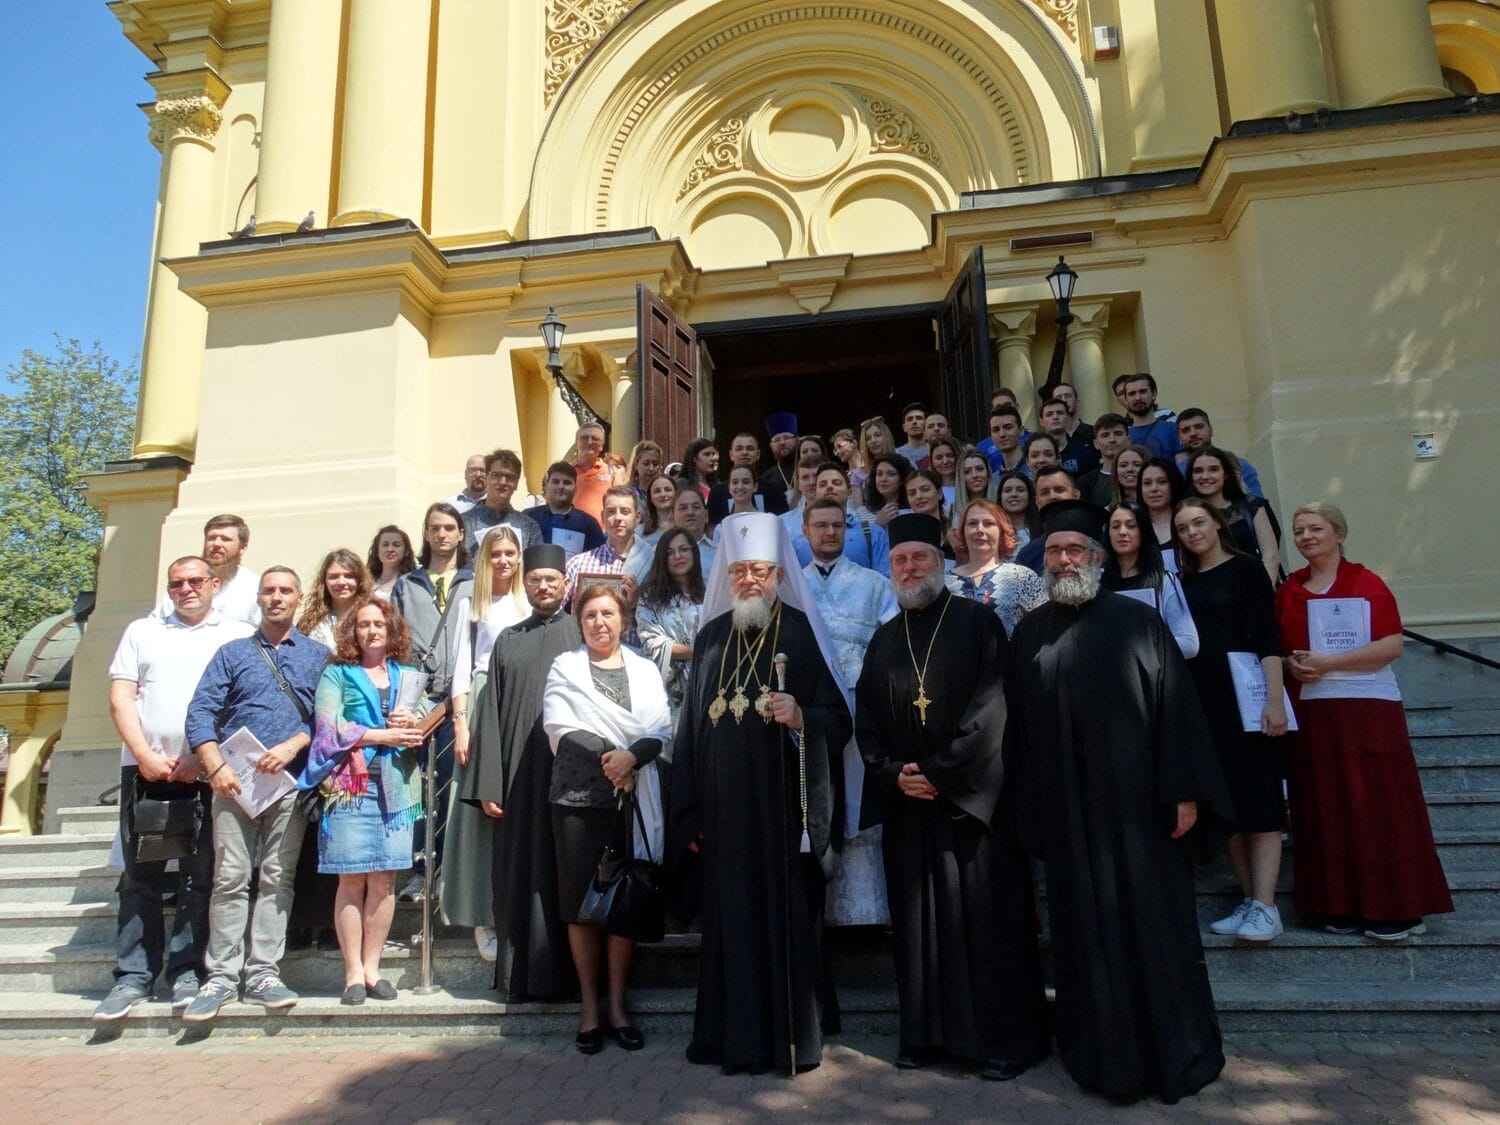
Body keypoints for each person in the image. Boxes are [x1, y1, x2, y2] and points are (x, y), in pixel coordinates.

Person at [1006, 500, 1233, 1104]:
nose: (1063, 560)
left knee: (1155, 934)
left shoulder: (1139, 624)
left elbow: (1178, 711)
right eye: (1054, 552)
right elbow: (1021, 734)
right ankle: (1099, 1055)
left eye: (1074, 550)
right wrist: (1033, 815)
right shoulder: (1030, 632)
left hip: (1141, 822)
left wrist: (1184, 790)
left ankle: (1172, 1052)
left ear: (1098, 559)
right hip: (1070, 822)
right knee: (1082, 939)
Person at [857, 514, 1049, 1078]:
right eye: (900, 561)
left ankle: (1002, 1043)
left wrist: (940, 772)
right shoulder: (884, 639)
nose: (910, 568)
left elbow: (994, 712)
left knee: (987, 925)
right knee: (918, 927)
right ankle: (925, 1037)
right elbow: (865, 719)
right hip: (910, 810)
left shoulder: (979, 623)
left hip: (972, 809)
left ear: (941, 565)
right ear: (890, 569)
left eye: (920, 558)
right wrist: (892, 773)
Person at [669, 512, 852, 1075]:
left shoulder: (798, 631)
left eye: (761, 571)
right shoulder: (709, 638)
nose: (750, 580)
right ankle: (731, 1038)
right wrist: (690, 812)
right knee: (732, 923)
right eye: (741, 571)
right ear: (728, 574)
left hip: (781, 814)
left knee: (786, 920)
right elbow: (691, 733)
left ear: (778, 573)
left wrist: (801, 716)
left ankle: (791, 1037)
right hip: (724, 817)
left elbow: (839, 719)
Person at [1275, 502, 1453, 941]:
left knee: (1378, 808)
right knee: (1325, 807)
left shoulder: (1367, 582)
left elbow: (1392, 645)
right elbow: (1279, 647)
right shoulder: (1290, 590)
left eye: (1316, 528)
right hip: (1314, 710)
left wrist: (1330, 663)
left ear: (1339, 533)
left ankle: (1396, 908)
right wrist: (1290, 665)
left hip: (1367, 709)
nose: (1306, 536)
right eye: (1299, 531)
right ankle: (1336, 904)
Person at [93, 556, 256, 1021]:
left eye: (195, 581)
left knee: (198, 876)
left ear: (215, 584)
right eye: (176, 583)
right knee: (139, 877)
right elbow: (120, 697)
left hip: (207, 772)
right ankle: (132, 976)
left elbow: (240, 703)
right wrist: (144, 753)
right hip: (144, 770)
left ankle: (186, 969)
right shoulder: (142, 631)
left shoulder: (236, 634)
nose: (185, 589)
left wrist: (200, 759)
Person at [182, 567, 330, 1022]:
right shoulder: (232, 654)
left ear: (299, 597)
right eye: (269, 591)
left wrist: (294, 744)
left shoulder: (318, 656)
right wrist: (216, 766)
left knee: (277, 878)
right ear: (259, 598)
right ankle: (222, 976)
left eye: (286, 590)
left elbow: (328, 719)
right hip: (233, 783)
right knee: (229, 877)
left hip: (290, 784)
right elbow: (200, 712)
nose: (277, 597)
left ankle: (263, 971)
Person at [544, 583, 672, 1054]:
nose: (600, 622)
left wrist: (632, 759)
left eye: (608, 614)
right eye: (591, 615)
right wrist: (613, 758)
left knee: (625, 901)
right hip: (578, 798)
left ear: (624, 619)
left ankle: (618, 1006)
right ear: (580, 622)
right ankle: (589, 1009)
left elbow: (661, 725)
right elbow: (559, 723)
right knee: (582, 904)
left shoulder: (643, 668)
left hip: (633, 795)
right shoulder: (566, 667)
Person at [459, 545, 581, 1001]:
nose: (544, 586)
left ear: (565, 585)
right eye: (536, 580)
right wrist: (490, 782)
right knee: (520, 876)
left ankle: (570, 981)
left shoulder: (582, 632)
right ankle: (521, 980)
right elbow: (488, 713)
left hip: (571, 775)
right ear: (524, 585)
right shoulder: (508, 639)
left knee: (565, 875)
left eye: (552, 579)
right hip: (517, 780)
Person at [298, 597, 425, 1005]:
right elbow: (328, 727)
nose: (372, 630)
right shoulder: (338, 673)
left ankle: (373, 969)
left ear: (392, 630)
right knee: (351, 879)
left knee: (385, 882)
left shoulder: (408, 675)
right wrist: (382, 735)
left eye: (379, 624)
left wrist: (413, 724)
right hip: (351, 786)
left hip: (398, 787)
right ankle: (352, 971)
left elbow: (423, 725)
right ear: (353, 631)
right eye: (364, 624)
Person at [1174, 498, 1288, 943]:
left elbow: (1267, 638)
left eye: (1198, 522)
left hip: (1247, 696)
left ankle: (1267, 905)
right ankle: (1248, 898)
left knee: (1258, 801)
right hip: (1204, 703)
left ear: (1217, 523)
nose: (1191, 532)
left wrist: (1274, 702)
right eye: (1182, 528)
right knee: (1228, 805)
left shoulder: (1245, 571)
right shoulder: (1182, 582)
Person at [800, 497, 898, 928]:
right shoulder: (791, 586)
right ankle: (815, 902)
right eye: (820, 525)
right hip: (809, 712)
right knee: (818, 799)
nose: (829, 532)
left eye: (837, 525)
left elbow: (892, 643)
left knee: (858, 800)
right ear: (805, 531)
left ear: (848, 530)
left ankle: (864, 907)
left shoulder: (876, 584)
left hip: (860, 709)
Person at [444, 527, 530, 958]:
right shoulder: (470, 603)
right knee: (480, 810)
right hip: (481, 699)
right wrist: (461, 724)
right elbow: (460, 668)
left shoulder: (528, 600)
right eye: (495, 553)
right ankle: (483, 914)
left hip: (523, 700)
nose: (503, 560)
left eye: (510, 552)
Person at [391, 503, 474, 903]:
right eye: (434, 528)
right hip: (417, 697)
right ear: (425, 535)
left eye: (449, 528)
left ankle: (448, 872)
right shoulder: (407, 585)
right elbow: (393, 639)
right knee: (415, 787)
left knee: (452, 785)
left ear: (461, 534)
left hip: (461, 698)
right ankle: (417, 871)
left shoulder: (475, 581)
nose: (442, 535)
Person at [1102, 501, 1199, 657]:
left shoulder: (1164, 581)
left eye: (1131, 525)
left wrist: (1137, 650)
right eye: (1115, 526)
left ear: (1144, 531)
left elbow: (1189, 644)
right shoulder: (1096, 583)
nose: (1122, 532)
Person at [635, 528, 705, 728]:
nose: (678, 556)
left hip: (708, 682)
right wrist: (695, 653)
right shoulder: (650, 598)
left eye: (683, 549)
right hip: (670, 691)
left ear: (694, 553)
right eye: (670, 552)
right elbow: (651, 642)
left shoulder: (709, 593)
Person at [946, 499, 1045, 636]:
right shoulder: (944, 583)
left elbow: (1042, 627)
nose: (980, 530)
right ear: (963, 532)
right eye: (972, 523)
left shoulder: (1023, 577)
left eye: (988, 524)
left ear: (1001, 531)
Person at [1187, 445, 1281, 586]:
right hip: (1214, 594)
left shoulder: (1251, 505)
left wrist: (1262, 593)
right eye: (1198, 471)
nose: (1205, 476)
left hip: (1257, 588)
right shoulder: (1187, 514)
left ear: (1226, 473)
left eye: (1213, 469)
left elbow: (1271, 556)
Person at [155, 514, 261, 626]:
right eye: (211, 538)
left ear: (242, 548)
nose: (216, 544)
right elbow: (157, 622)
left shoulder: (254, 587)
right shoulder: (182, 584)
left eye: (225, 539)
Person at [790, 462, 890, 573]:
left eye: (836, 483)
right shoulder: (797, 542)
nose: (829, 486)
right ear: (816, 493)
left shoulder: (873, 533)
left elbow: (885, 580)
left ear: (849, 492)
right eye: (823, 484)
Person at [563, 485, 649, 608]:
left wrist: (636, 603)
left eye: (625, 511)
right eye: (611, 511)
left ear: (637, 518)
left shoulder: (651, 561)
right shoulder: (578, 564)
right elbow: (554, 611)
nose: (618, 518)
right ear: (603, 516)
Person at [463, 448, 542, 555]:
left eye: (510, 477)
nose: (503, 482)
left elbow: (535, 568)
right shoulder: (465, 522)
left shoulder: (529, 527)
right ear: (486, 477)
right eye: (497, 475)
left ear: (517, 484)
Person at [523, 461, 606, 561]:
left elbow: (599, 559)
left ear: (575, 489)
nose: (561, 486)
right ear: (547, 486)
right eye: (555, 481)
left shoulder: (588, 524)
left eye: (567, 483)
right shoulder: (529, 517)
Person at [1175, 408, 1264, 498]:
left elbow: (1258, 504)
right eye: (1186, 430)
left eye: (1198, 427)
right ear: (1179, 438)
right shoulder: (1176, 473)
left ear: (1211, 430)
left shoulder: (1239, 465)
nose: (1193, 433)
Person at [298, 549, 372, 650]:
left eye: (349, 576)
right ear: (324, 581)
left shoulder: (373, 617)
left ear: (359, 580)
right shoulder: (309, 622)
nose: (341, 582)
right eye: (333, 577)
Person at [1012, 465, 1080, 574]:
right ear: (1037, 502)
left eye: (1059, 490)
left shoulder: (1099, 542)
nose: (1052, 496)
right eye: (1045, 492)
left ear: (1076, 496)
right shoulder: (1027, 556)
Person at [713, 430, 790, 521]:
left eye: (750, 448)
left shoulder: (774, 491)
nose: (745, 453)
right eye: (739, 449)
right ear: (731, 455)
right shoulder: (717, 493)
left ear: (758, 454)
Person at [1139, 456, 1192, 568]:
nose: (1154, 488)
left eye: (1162, 482)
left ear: (1173, 484)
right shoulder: (1132, 526)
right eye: (1147, 483)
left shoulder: (1191, 521)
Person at [570, 422, 623, 524]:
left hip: (601, 534)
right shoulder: (566, 472)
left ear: (602, 446)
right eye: (585, 438)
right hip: (570, 533)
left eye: (595, 438)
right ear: (577, 442)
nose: (590, 442)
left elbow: (620, 503)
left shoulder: (612, 473)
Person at [1120, 373, 1181, 460]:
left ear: (1154, 394)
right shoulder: (1123, 437)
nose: (1138, 397)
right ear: (1126, 400)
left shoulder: (1172, 429)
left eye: (1143, 391)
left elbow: (1182, 465)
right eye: (1132, 394)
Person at [1076, 413, 1129, 506]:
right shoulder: (1084, 483)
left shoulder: (1142, 475)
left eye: (1118, 434)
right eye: (1105, 435)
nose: (1112, 439)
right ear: (1096, 444)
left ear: (1128, 441)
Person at [1042, 398, 1099, 478]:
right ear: (1042, 422)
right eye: (1049, 414)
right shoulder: (1038, 455)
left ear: (1067, 418)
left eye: (1060, 413)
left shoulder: (1085, 450)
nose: (1055, 417)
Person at [903, 469, 952, 560]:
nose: (919, 496)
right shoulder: (905, 537)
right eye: (912, 493)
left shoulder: (956, 530)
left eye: (925, 490)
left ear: (939, 493)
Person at [671, 485, 717, 579]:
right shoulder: (661, 553)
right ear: (672, 518)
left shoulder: (719, 554)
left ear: (706, 516)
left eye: (696, 507)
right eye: (683, 508)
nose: (690, 512)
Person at [862, 453, 913, 530]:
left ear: (902, 479)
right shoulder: (862, 513)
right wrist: (878, 525)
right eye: (879, 474)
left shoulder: (914, 509)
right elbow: (862, 542)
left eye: (891, 474)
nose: (883, 479)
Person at [760, 413, 800, 507]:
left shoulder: (809, 472)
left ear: (797, 440)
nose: (782, 442)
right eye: (777, 440)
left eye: (787, 437)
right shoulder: (765, 479)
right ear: (771, 446)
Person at [367, 525, 416, 601]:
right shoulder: (367, 583)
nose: (390, 549)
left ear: (406, 551)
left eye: (396, 545)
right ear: (377, 551)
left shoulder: (414, 582)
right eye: (385, 545)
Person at [996, 470, 1039, 549]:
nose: (1014, 494)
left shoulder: (1042, 528)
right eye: (1008, 491)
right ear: (1000, 496)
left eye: (1020, 490)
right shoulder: (993, 530)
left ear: (1029, 495)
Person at [855, 416, 897, 493]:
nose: (873, 441)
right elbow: (858, 505)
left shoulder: (908, 465)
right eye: (868, 438)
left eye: (878, 435)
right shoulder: (858, 475)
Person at [927, 436, 963, 517]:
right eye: (939, 457)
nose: (945, 461)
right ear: (932, 462)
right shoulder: (928, 489)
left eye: (950, 455)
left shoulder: (968, 486)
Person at [985, 406, 1026, 474]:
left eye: (1008, 428)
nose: (1002, 434)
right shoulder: (994, 480)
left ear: (1021, 431)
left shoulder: (1034, 470)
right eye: (996, 430)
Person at [956, 449, 996, 516]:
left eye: (980, 469)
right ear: (961, 477)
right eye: (967, 472)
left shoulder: (1002, 502)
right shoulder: (954, 511)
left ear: (988, 472)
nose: (975, 475)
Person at [625, 440, 665, 506]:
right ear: (636, 465)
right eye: (646, 464)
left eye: (655, 464)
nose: (651, 468)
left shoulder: (664, 494)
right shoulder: (627, 494)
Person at [642, 473, 678, 537]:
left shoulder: (686, 526)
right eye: (657, 491)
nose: (663, 494)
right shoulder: (639, 532)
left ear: (676, 493)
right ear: (650, 498)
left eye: (668, 490)